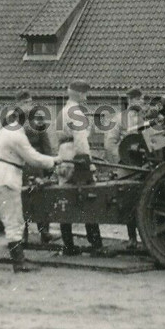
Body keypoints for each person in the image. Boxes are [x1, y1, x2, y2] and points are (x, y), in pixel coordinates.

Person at [0, 105, 59, 272]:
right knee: (14, 222)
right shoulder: (18, 136)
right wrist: (54, 160)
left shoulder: (6, 130)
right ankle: (19, 262)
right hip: (6, 180)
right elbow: (33, 158)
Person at [57, 80, 104, 256]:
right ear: (78, 94)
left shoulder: (63, 111)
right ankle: (96, 244)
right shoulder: (76, 112)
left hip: (64, 155)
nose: (87, 96)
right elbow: (81, 140)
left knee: (64, 198)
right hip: (76, 157)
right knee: (89, 198)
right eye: (85, 93)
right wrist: (86, 161)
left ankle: (68, 245)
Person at [103, 86, 145, 248]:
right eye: (137, 99)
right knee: (129, 202)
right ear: (130, 101)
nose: (140, 102)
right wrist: (122, 161)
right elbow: (110, 143)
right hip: (128, 167)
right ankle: (132, 238)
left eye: (142, 99)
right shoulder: (119, 119)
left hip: (146, 165)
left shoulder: (145, 118)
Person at [14, 89, 55, 244]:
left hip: (36, 163)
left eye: (29, 102)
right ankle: (21, 233)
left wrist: (49, 164)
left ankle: (44, 231)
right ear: (17, 104)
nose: (27, 105)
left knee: (41, 196)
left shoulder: (38, 119)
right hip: (20, 164)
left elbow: (46, 143)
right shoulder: (12, 121)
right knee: (20, 199)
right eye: (24, 102)